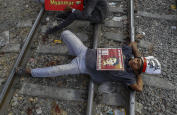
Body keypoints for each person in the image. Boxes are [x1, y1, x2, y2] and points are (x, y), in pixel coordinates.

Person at [26, 30, 161, 92]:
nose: (135, 62)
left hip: (83, 66)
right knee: (66, 33)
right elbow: (133, 44)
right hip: (85, 51)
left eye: (138, 65)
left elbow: (139, 88)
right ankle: (73, 53)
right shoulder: (128, 53)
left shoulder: (129, 76)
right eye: (137, 60)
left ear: (137, 71)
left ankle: (31, 72)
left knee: (57, 70)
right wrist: (139, 56)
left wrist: (139, 75)